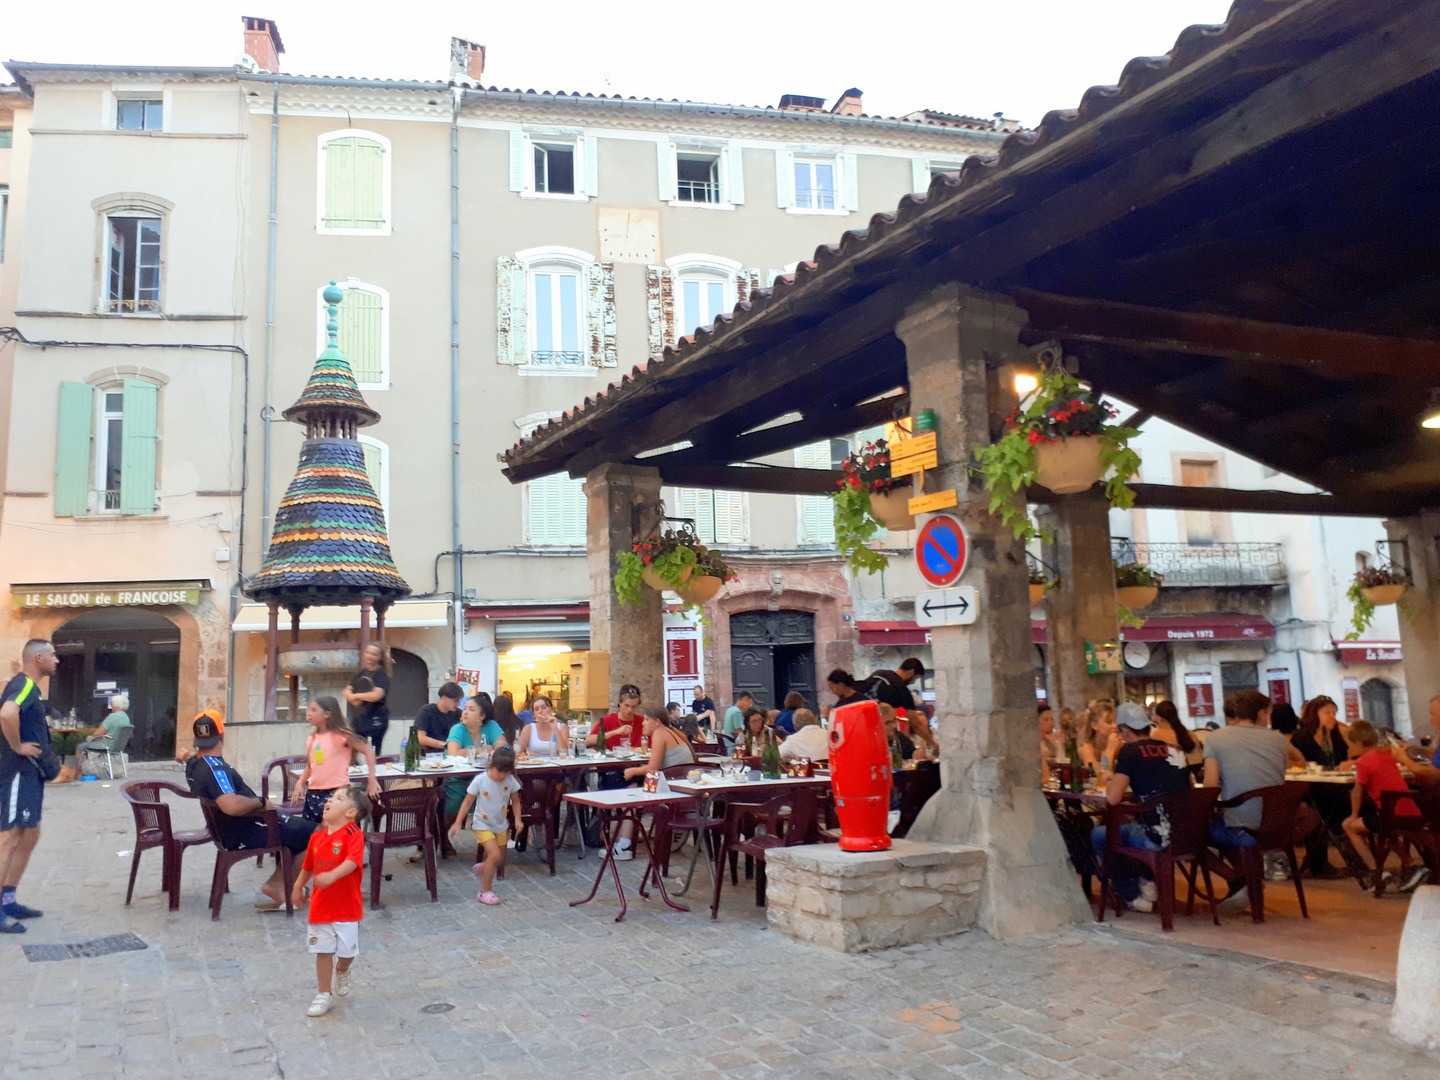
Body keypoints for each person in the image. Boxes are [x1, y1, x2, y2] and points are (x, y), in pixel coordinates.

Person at [184, 713, 316, 910]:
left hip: (232, 830)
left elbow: (186, 757)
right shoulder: (216, 769)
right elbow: (231, 805)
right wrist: (261, 802)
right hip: (252, 829)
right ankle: (278, 885)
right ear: (223, 736)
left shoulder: (194, 764)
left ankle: (285, 883)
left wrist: (183, 755)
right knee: (320, 833)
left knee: (302, 830)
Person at [1091, 703, 1192, 912]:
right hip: (1187, 834)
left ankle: (1130, 894)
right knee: (1129, 826)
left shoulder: (1130, 751)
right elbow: (1188, 788)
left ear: (1125, 731)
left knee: (1100, 835)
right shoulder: (1174, 749)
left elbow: (1112, 798)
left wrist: (1110, 775)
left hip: (1155, 837)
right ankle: (1146, 877)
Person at [1202, 689, 1289, 913]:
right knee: (1228, 820)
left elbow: (1210, 786)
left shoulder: (1215, 738)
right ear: (1261, 713)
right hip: (1278, 827)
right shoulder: (1278, 739)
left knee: (1191, 835)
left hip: (1243, 828)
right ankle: (1247, 880)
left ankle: (1240, 880)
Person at [292, 784, 370, 1017]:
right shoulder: (316, 838)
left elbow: (353, 862)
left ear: (350, 813)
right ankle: (323, 994)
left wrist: (332, 876)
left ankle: (343, 969)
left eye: (338, 798)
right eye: (331, 797)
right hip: (320, 907)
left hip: (347, 907)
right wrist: (297, 887)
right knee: (322, 951)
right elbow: (307, 867)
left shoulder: (353, 834)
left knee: (347, 953)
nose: (329, 801)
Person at [0, 639, 59, 932]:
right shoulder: (23, 685)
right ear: (38, 658)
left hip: (30, 775)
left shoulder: (30, 689)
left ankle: (8, 899)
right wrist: (17, 746)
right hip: (17, 773)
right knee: (10, 838)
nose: (56, 660)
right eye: (52, 655)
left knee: (30, 834)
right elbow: (7, 714)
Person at [1342, 720, 1425, 892]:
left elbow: (1357, 792)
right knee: (1388, 832)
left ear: (1357, 744)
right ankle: (1411, 867)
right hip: (1410, 810)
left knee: (1349, 826)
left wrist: (1354, 815)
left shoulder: (1364, 762)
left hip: (1390, 815)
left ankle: (1376, 872)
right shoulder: (1387, 756)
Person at [447, 746, 522, 905]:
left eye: (505, 773)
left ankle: (483, 868)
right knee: (494, 855)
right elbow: (467, 802)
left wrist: (517, 819)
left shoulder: (510, 781)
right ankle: (485, 891)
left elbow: (515, 801)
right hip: (482, 824)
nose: (501, 776)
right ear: (491, 765)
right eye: (498, 772)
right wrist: (457, 823)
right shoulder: (480, 780)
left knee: (498, 859)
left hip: (501, 824)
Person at [293, 697, 379, 822]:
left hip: (338, 792)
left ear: (327, 714)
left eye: (314, 710)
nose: (309, 713)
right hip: (313, 793)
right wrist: (300, 783)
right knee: (313, 832)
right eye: (308, 710)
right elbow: (311, 767)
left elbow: (369, 751)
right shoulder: (312, 738)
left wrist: (372, 779)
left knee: (337, 830)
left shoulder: (342, 735)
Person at [443, 695, 507, 830]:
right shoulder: (458, 729)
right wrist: (483, 749)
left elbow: (503, 748)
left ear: (482, 716)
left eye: (471, 709)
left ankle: (492, 835)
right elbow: (453, 752)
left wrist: (470, 751)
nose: (464, 712)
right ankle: (443, 836)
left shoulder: (491, 726)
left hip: (484, 776)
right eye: (465, 708)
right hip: (457, 778)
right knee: (455, 799)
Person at [343, 642, 391, 755]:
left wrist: (356, 696)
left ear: (379, 657)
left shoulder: (381, 675)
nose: (370, 656)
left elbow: (376, 695)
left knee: (373, 752)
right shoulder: (361, 674)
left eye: (374, 654)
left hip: (376, 721)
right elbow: (347, 690)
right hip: (358, 720)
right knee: (353, 752)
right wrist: (351, 697)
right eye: (368, 652)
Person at [624, 706, 695, 780]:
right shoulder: (669, 731)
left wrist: (631, 771)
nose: (643, 723)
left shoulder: (659, 733)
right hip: (683, 778)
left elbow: (652, 769)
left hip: (676, 781)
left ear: (657, 722)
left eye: (647, 719)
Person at [77, 692, 134, 774]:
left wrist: (90, 737)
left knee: (80, 746)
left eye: (112, 703)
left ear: (115, 705)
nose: (111, 705)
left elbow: (99, 732)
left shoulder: (112, 717)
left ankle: (77, 772)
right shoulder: (126, 717)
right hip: (118, 746)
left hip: (106, 744)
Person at [1293, 696, 1351, 770]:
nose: (1332, 717)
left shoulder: (1338, 737)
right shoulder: (1300, 739)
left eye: (1334, 713)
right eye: (1327, 713)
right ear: (1314, 714)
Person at [1150, 700, 1202, 769]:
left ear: (1159, 718)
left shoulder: (1157, 735)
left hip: (1176, 773)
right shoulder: (1190, 733)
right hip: (1197, 771)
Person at [413, 682, 464, 751]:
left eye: (459, 701)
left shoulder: (459, 714)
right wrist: (445, 745)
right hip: (427, 755)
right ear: (444, 698)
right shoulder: (426, 711)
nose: (458, 704)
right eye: (455, 701)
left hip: (451, 755)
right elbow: (420, 738)